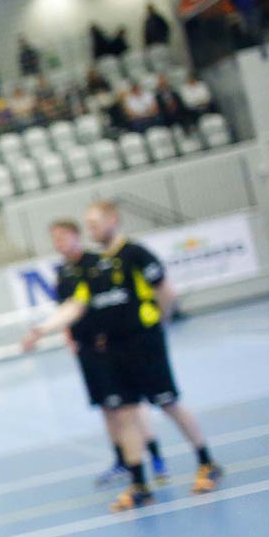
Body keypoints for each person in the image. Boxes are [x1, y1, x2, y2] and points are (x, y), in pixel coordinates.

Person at [22, 200, 221, 511]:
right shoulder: (93, 267)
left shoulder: (135, 254)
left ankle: (206, 462)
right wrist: (43, 329)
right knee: (126, 413)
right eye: (88, 225)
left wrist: (160, 322)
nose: (92, 230)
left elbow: (167, 291)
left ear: (113, 220)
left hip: (145, 343)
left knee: (168, 402)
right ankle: (140, 485)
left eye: (95, 223)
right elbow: (76, 306)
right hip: (114, 349)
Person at [33, 220, 168, 486]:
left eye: (63, 237)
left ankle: (154, 456)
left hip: (110, 345)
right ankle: (122, 461)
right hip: (87, 350)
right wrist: (69, 336)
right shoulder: (63, 273)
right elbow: (68, 310)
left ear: (76, 236)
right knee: (107, 407)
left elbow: (103, 304)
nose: (59, 243)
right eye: (55, 239)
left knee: (130, 404)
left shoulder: (97, 262)